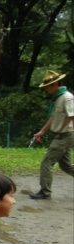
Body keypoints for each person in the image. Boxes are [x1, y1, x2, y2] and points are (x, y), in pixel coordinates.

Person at [30, 70, 74, 200]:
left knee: (46, 162)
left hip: (66, 135)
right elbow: (54, 117)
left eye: (46, 87)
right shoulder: (58, 98)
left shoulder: (67, 98)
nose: (45, 90)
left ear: (53, 85)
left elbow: (73, 116)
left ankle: (45, 192)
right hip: (61, 135)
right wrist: (42, 131)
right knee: (65, 166)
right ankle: (45, 191)